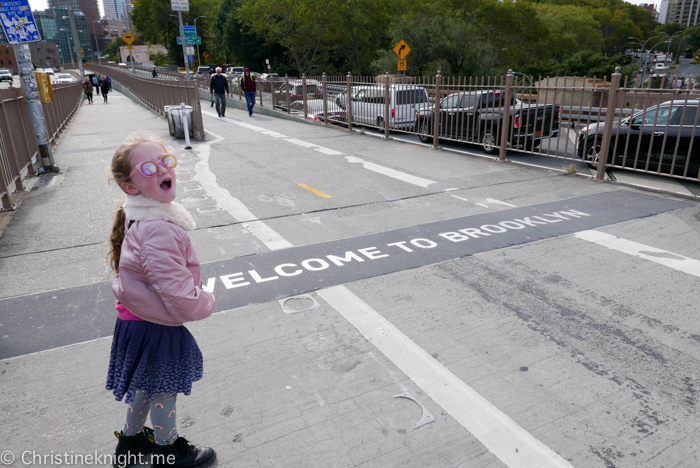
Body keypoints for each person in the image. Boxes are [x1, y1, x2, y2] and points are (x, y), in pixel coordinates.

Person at [106, 133, 217, 468]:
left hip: (135, 321)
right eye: (149, 168)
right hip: (155, 326)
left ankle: (130, 441)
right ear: (131, 186)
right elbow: (176, 293)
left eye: (165, 161)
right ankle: (168, 451)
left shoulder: (140, 214)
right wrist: (206, 300)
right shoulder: (159, 229)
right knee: (164, 390)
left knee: (145, 385)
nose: (163, 170)